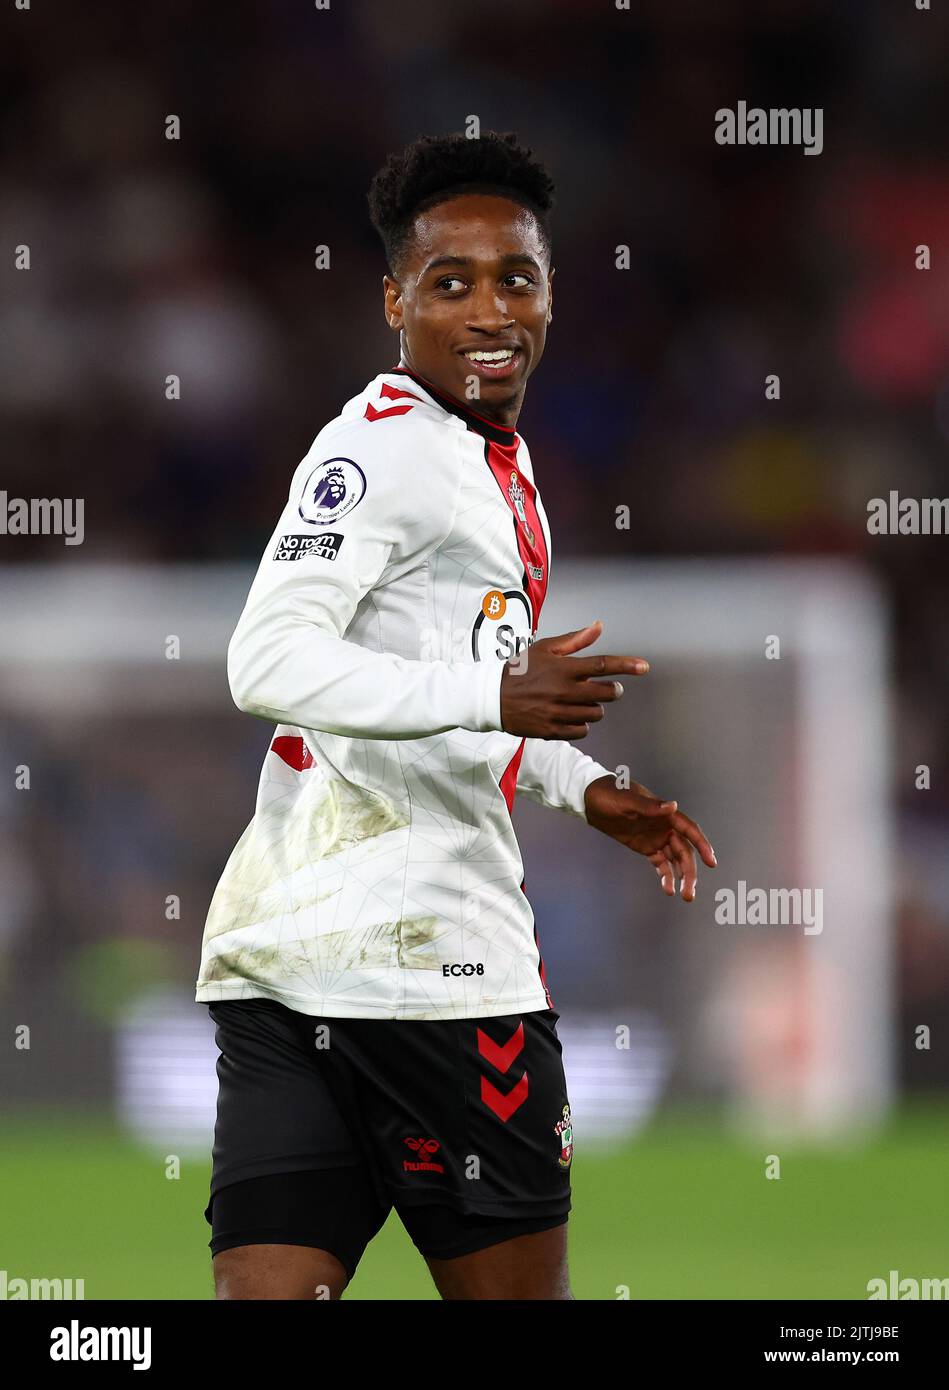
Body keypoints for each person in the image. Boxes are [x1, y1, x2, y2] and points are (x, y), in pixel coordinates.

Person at [196, 130, 716, 1301]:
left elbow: (445, 695)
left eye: (514, 279)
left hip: (380, 970)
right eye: (450, 283)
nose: (488, 309)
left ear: (549, 297)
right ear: (395, 302)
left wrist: (579, 785)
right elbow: (265, 657)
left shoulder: (504, 469)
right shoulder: (376, 455)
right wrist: (494, 690)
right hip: (362, 976)